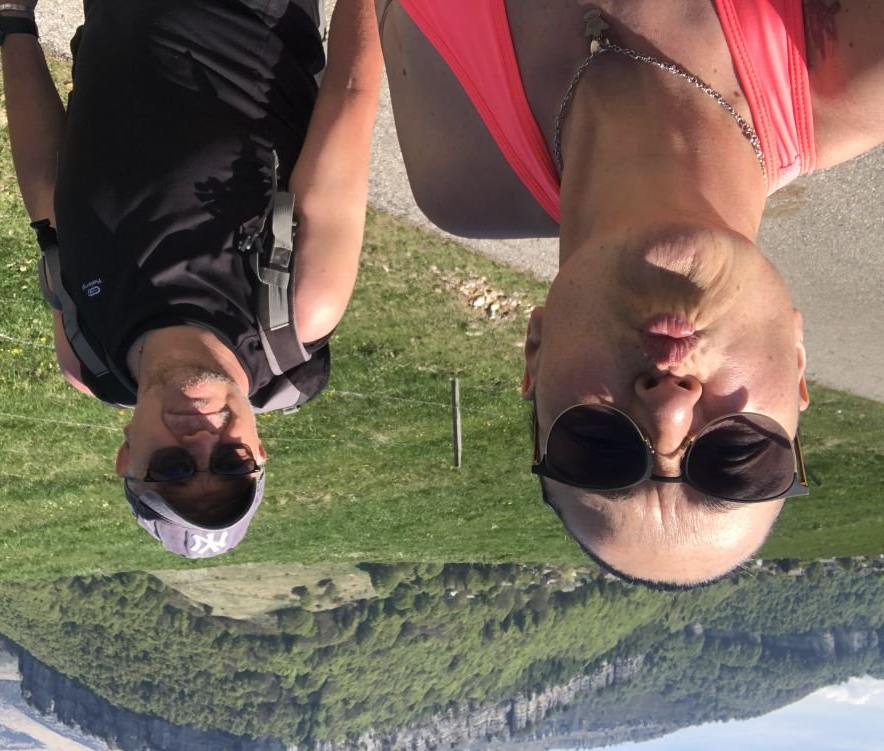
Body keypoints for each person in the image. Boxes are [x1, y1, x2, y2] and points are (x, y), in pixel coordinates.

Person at [376, 0, 884, 586]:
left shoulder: (458, 176)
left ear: (534, 353)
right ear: (796, 367)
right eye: (737, 455)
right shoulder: (857, 56)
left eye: (599, 445)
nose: (670, 407)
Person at [0, 0, 383, 557]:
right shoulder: (299, 306)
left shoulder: (87, 353)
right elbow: (349, 95)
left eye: (173, 468)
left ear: (127, 458)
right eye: (230, 464)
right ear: (259, 451)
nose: (201, 441)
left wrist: (13, 20)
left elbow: (46, 189)